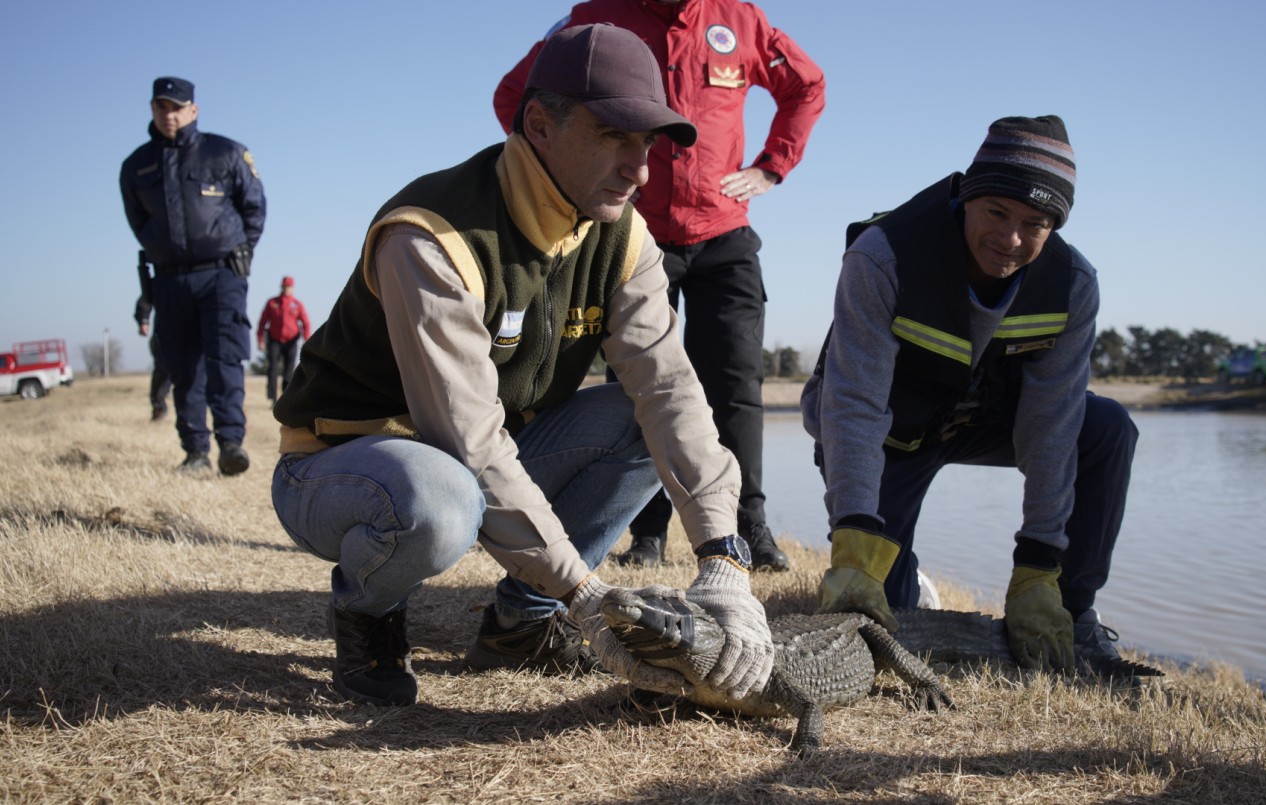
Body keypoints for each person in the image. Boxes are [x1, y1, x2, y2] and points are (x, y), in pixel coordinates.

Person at [270, 24, 774, 707]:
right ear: (539, 125)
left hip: (475, 456)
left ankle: (522, 625)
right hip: (345, 464)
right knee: (439, 504)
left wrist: (724, 558)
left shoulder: (622, 234)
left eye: (648, 143)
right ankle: (369, 609)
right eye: (614, 136)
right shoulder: (432, 237)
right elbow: (467, 441)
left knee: (639, 420)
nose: (641, 169)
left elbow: (670, 390)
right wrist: (585, 593)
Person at [803, 116, 1145, 676]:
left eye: (1034, 224)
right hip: (888, 432)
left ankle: (1073, 612)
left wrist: (1038, 564)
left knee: (1105, 426)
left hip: (982, 419)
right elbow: (854, 406)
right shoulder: (882, 256)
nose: (1010, 240)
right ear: (967, 197)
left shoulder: (1073, 285)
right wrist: (856, 543)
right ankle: (906, 580)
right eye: (996, 213)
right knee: (888, 613)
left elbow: (1051, 425)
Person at [495, 0, 826, 571]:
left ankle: (750, 527)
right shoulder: (593, 18)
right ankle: (646, 534)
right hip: (633, 235)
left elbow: (806, 86)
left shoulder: (741, 19)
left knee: (736, 385)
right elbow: (515, 96)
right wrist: (566, 181)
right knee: (637, 384)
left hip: (724, 232)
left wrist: (772, 165)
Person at [120, 77, 266, 475]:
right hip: (169, 280)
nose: (168, 115)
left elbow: (254, 207)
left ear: (193, 110)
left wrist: (243, 250)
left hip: (222, 275)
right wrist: (161, 250)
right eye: (161, 107)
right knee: (182, 367)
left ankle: (231, 444)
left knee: (224, 359)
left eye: (176, 107)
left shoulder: (226, 152)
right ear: (152, 110)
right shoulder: (135, 166)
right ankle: (196, 452)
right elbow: (138, 221)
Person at [256, 275, 312, 403]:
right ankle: (272, 397)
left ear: (293, 288)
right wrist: (260, 340)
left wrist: (306, 339)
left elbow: (306, 323)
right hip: (274, 340)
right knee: (273, 369)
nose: (287, 289)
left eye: (289, 287)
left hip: (291, 341)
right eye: (285, 286)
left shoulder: (297, 304)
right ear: (281, 287)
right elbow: (262, 322)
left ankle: (286, 397)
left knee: (289, 370)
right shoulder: (272, 303)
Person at [133, 293, 172, 422]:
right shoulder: (166, 281)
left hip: (197, 333)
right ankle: (159, 409)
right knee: (162, 371)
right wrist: (143, 319)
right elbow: (146, 296)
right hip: (165, 336)